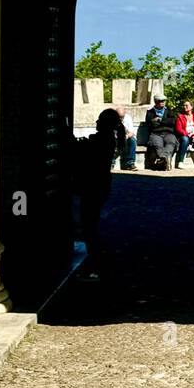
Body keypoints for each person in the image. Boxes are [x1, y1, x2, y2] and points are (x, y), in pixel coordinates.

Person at [73, 106, 125, 279]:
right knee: (90, 225)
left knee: (89, 226)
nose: (96, 122)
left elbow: (83, 152)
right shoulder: (108, 139)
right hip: (101, 185)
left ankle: (96, 263)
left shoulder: (101, 140)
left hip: (94, 186)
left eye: (99, 120)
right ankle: (97, 261)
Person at [144, 90, 177, 170]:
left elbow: (172, 122)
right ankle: (166, 159)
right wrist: (165, 121)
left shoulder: (169, 111)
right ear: (156, 102)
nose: (162, 102)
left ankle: (163, 159)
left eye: (163, 101)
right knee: (158, 145)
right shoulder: (150, 112)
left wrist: (160, 120)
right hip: (156, 133)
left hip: (168, 132)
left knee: (171, 142)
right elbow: (151, 124)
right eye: (160, 101)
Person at [112, 105, 139, 171]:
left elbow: (131, 132)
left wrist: (125, 136)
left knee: (132, 141)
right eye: (119, 117)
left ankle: (130, 163)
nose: (121, 119)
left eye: (122, 117)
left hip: (125, 138)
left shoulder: (127, 118)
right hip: (115, 138)